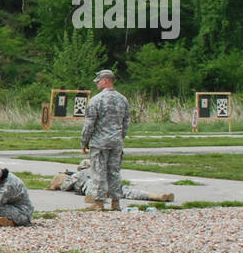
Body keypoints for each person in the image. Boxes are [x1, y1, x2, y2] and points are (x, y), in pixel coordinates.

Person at [80, 68, 131, 211]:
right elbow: (126, 122)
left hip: (99, 142)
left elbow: (89, 124)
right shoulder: (123, 99)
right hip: (116, 142)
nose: (97, 84)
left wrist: (84, 141)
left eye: (99, 81)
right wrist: (120, 137)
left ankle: (99, 202)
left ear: (106, 80)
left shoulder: (96, 100)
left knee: (98, 172)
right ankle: (116, 202)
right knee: (114, 172)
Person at [46, 158, 174, 202]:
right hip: (109, 181)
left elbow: (65, 186)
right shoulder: (100, 170)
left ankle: (98, 197)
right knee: (128, 191)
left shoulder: (80, 174)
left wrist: (64, 177)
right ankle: (156, 196)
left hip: (91, 184)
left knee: (93, 191)